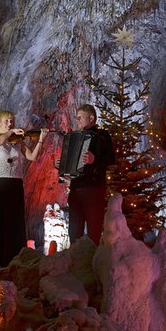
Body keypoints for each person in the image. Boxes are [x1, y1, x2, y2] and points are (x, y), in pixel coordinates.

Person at [0, 110, 48, 266]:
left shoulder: (17, 141)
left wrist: (41, 141)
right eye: (6, 121)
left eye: (12, 121)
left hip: (15, 184)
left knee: (14, 221)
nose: (10, 123)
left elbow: (32, 157)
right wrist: (10, 132)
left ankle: (13, 256)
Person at [56, 104, 115, 245]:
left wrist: (95, 160)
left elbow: (111, 159)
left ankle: (92, 263)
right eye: (77, 117)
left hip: (94, 189)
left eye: (80, 117)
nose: (77, 120)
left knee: (94, 231)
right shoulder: (73, 136)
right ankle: (75, 262)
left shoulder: (102, 136)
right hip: (76, 189)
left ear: (91, 118)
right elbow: (70, 163)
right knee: (74, 231)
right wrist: (62, 165)